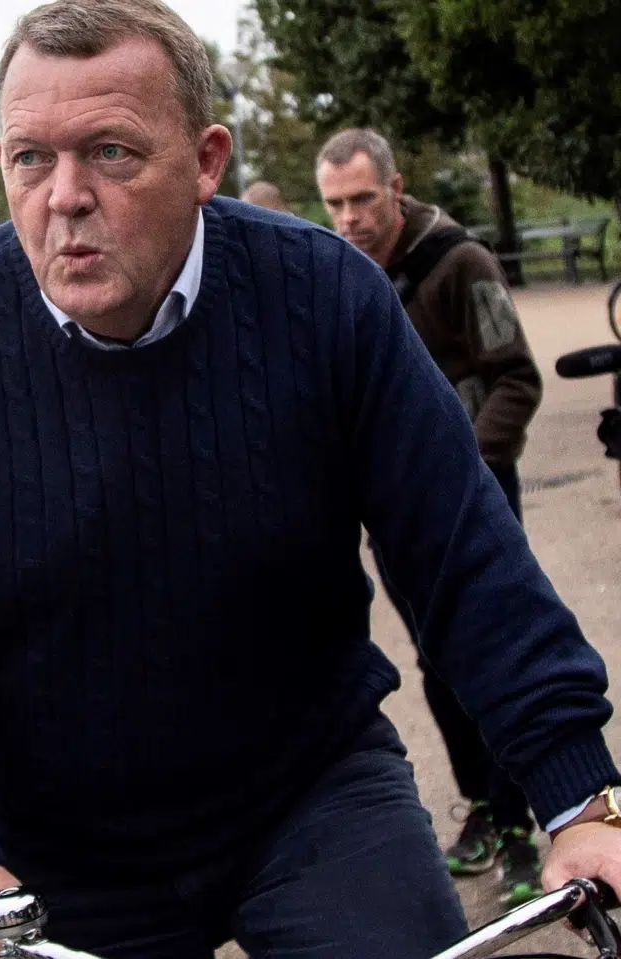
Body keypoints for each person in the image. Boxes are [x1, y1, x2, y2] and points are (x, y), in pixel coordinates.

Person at [0, 3, 621, 959]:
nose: (64, 197)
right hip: (49, 838)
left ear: (206, 160)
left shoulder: (325, 297)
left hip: (311, 790)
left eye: (110, 152)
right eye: (30, 158)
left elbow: (463, 553)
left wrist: (580, 793)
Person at [316, 128, 546, 904]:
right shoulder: (340, 273)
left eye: (361, 199)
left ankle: (519, 824)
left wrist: (457, 468)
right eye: (334, 204)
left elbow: (516, 379)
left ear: (395, 187)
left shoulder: (460, 262)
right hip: (392, 508)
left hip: (472, 493)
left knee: (493, 649)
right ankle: (484, 804)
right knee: (436, 662)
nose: (349, 217)